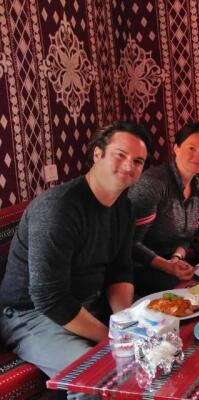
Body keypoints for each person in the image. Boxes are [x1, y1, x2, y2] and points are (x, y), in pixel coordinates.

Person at [0, 121, 151, 379]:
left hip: (88, 302)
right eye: (120, 155)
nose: (129, 166)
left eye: (138, 161)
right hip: (31, 314)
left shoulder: (124, 208)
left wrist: (124, 321)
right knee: (96, 373)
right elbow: (49, 297)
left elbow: (120, 269)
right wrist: (111, 337)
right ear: (97, 154)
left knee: (159, 343)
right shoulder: (57, 209)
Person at [128, 122, 199, 295]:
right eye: (192, 148)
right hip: (139, 268)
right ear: (176, 149)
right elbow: (130, 243)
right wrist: (168, 266)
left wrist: (176, 258)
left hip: (175, 264)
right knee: (196, 292)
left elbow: (188, 237)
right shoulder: (153, 183)